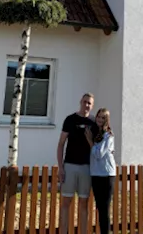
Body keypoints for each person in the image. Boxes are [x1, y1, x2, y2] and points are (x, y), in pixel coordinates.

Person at [58, 93, 99, 233]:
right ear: (80, 102)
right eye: (85, 102)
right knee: (66, 202)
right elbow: (61, 144)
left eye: (89, 103)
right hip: (70, 166)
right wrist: (60, 168)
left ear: (92, 106)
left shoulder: (94, 122)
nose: (86, 105)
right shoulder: (70, 120)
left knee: (84, 204)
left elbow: (98, 147)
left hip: (87, 168)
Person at [88, 108, 117, 234]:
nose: (100, 120)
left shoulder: (108, 135)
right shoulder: (97, 134)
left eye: (103, 118)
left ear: (107, 120)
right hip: (95, 173)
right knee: (99, 208)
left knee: (105, 208)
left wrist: (90, 141)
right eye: (98, 117)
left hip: (106, 175)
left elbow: (99, 154)